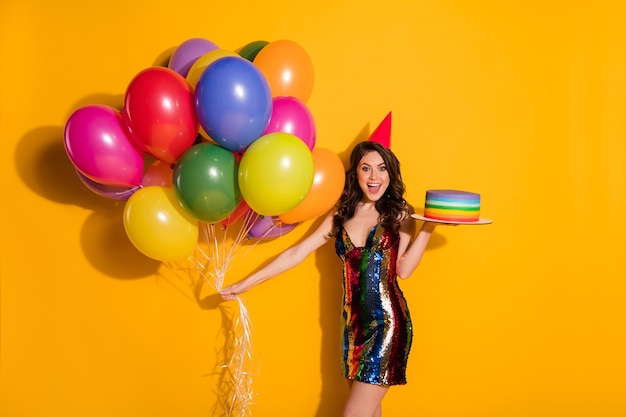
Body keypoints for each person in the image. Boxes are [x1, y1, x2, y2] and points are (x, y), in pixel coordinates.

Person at [220, 141, 443, 417]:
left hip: (387, 324)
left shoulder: (400, 213)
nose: (374, 177)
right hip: (352, 327)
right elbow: (298, 252)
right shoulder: (342, 213)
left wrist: (429, 226)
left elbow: (404, 270)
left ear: (391, 172)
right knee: (370, 411)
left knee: (354, 414)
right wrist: (245, 283)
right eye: (366, 169)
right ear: (356, 174)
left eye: (381, 169)